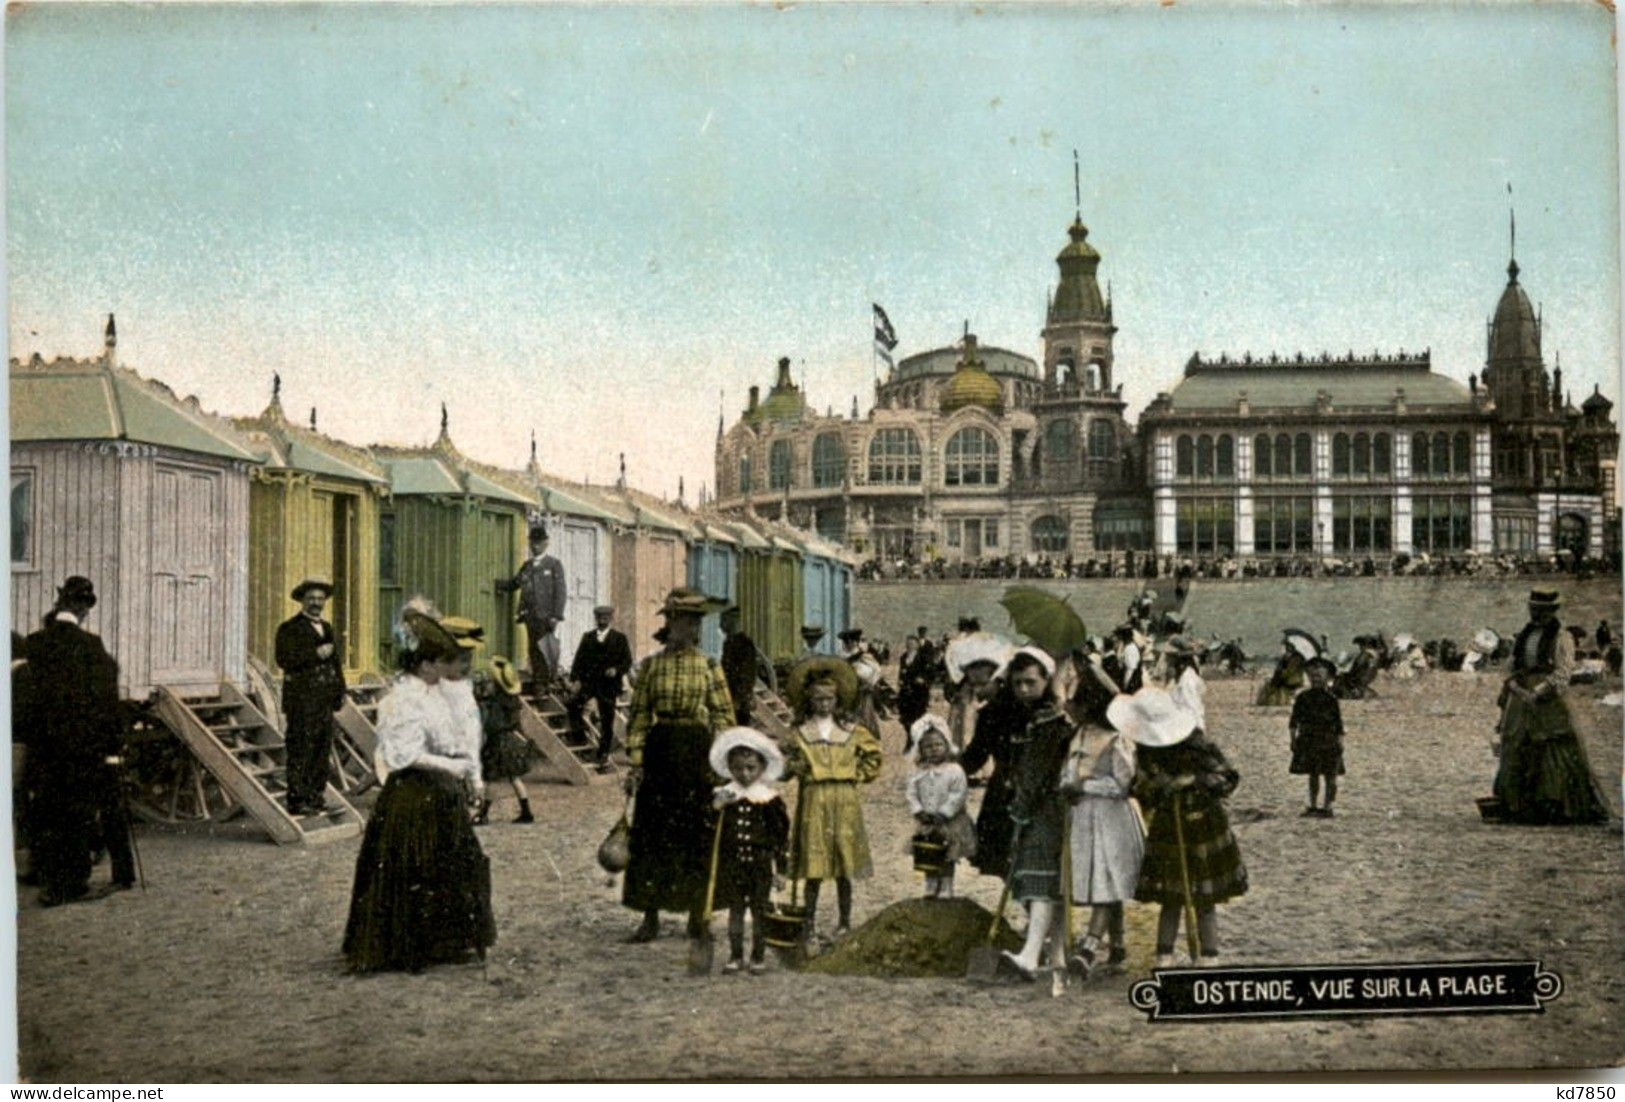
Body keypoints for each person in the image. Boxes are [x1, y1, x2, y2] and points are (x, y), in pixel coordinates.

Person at [342, 610, 493, 973]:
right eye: (441, 660)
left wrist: (468, 772)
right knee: (414, 867)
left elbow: (453, 737)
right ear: (425, 663)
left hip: (440, 793)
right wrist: (453, 767)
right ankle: (408, 948)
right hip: (412, 794)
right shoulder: (403, 698)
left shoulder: (434, 693)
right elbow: (403, 755)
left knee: (450, 865)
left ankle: (444, 942)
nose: (447, 667)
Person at [621, 588, 735, 944]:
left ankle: (697, 917)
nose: (694, 629)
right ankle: (650, 916)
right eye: (687, 621)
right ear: (671, 624)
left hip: (696, 753)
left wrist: (721, 759)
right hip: (660, 751)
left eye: (697, 622)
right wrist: (637, 762)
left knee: (697, 834)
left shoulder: (709, 666)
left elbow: (723, 716)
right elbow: (638, 716)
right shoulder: (651, 667)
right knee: (653, 834)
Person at [21, 577, 130, 906]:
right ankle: (71, 883)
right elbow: (108, 700)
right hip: (83, 746)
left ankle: (48, 878)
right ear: (84, 610)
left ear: (59, 605)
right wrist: (113, 745)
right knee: (77, 814)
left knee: (47, 811)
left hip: (44, 746)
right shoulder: (92, 647)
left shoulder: (34, 643)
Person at [1126, 691, 1247, 968]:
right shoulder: (1148, 752)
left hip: (1203, 826)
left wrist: (1192, 779)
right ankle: (1164, 956)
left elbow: (1228, 777)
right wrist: (1159, 784)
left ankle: (1209, 956)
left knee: (1205, 898)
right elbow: (1139, 789)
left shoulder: (1197, 746)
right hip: (1169, 829)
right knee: (1171, 897)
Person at [1487, 590, 1610, 825]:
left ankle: (1554, 805)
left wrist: (1539, 691)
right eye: (1533, 609)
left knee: (1553, 748)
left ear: (1551, 611)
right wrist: (1515, 685)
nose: (1536, 613)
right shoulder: (1525, 635)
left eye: (1541, 610)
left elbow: (1563, 671)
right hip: (1521, 698)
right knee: (1515, 745)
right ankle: (1517, 804)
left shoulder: (1561, 637)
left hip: (1547, 699)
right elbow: (1513, 664)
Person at [783, 657, 882, 944]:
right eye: (818, 699)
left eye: (829, 698)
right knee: (813, 866)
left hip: (844, 798)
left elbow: (873, 756)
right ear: (809, 700)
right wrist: (797, 767)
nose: (824, 704)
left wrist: (856, 775)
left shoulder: (851, 730)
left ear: (837, 699)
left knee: (843, 864)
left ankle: (844, 922)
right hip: (814, 797)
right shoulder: (800, 732)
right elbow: (788, 763)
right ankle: (809, 924)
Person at [997, 647, 1078, 980]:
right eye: (1018, 684)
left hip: (1046, 807)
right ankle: (1056, 954)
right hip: (1058, 807)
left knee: (1039, 876)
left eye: (1031, 682)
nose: (1024, 690)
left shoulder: (1047, 723)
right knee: (1054, 881)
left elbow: (1035, 774)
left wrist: (1020, 809)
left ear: (1046, 680)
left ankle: (1030, 954)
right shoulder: (1039, 718)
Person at [1062, 655, 1144, 977]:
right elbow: (1070, 768)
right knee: (1105, 880)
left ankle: (1090, 947)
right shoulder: (1080, 735)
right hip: (1085, 817)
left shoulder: (1115, 739)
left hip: (1112, 819)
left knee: (1107, 879)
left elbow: (1123, 783)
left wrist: (1085, 784)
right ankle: (1119, 943)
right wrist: (1067, 783)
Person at [707, 728, 790, 975]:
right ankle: (735, 955)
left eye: (751, 768)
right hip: (732, 865)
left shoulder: (768, 799)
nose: (744, 774)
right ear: (729, 768)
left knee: (759, 910)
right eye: (738, 768)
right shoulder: (724, 795)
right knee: (735, 910)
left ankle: (758, 956)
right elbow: (708, 832)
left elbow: (780, 837)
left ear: (762, 768)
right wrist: (715, 808)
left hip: (760, 864)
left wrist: (782, 870)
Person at [274, 575, 347, 817]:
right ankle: (297, 800)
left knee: (321, 749)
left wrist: (340, 692)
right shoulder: (289, 628)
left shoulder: (326, 628)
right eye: (311, 598)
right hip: (301, 700)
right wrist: (315, 653)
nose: (316, 602)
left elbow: (335, 663)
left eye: (320, 598)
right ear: (302, 601)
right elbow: (284, 660)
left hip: (323, 700)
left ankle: (316, 797)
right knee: (301, 748)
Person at [905, 716, 975, 899]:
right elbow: (911, 792)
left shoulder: (954, 770)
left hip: (948, 821)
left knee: (947, 853)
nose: (934, 750)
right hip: (926, 819)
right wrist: (918, 810)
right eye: (928, 746)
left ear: (946, 744)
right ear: (920, 750)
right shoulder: (918, 772)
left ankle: (946, 884)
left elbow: (958, 793)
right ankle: (930, 882)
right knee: (926, 851)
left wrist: (945, 812)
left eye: (938, 744)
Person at [497, 526, 567, 692]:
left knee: (544, 648)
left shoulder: (554, 565)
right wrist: (498, 584)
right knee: (533, 647)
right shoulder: (527, 566)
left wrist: (556, 615)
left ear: (546, 543)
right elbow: (515, 583)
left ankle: (543, 682)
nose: (535, 546)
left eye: (539, 543)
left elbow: (561, 592)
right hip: (530, 615)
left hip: (547, 616)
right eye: (532, 543)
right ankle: (539, 679)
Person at [568, 605, 633, 770]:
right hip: (589, 683)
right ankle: (580, 738)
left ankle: (603, 755)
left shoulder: (619, 639)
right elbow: (578, 660)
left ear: (611, 619)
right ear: (595, 619)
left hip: (608, 686)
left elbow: (627, 662)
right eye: (599, 618)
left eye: (605, 618)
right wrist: (575, 679)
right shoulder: (588, 637)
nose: (602, 621)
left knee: (607, 720)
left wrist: (616, 670)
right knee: (573, 705)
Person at [474, 657, 538, 824]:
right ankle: (526, 811)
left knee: (492, 779)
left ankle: (483, 814)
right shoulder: (513, 700)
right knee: (514, 777)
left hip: (500, 741)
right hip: (512, 741)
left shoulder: (496, 702)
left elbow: (492, 724)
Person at [1289, 658, 1345, 818]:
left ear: (1326, 678)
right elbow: (1293, 721)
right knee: (1313, 774)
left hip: (1329, 740)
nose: (1316, 679)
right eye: (1313, 677)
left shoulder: (1331, 699)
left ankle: (1328, 806)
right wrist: (1292, 740)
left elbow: (1338, 723)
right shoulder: (1302, 698)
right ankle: (1313, 805)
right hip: (1309, 739)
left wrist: (1341, 742)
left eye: (1319, 676)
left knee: (1330, 776)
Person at [719, 606, 773, 727]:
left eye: (723, 620)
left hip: (739, 700)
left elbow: (747, 674)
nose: (720, 625)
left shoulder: (744, 643)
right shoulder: (728, 643)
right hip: (728, 696)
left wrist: (740, 697)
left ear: (732, 620)